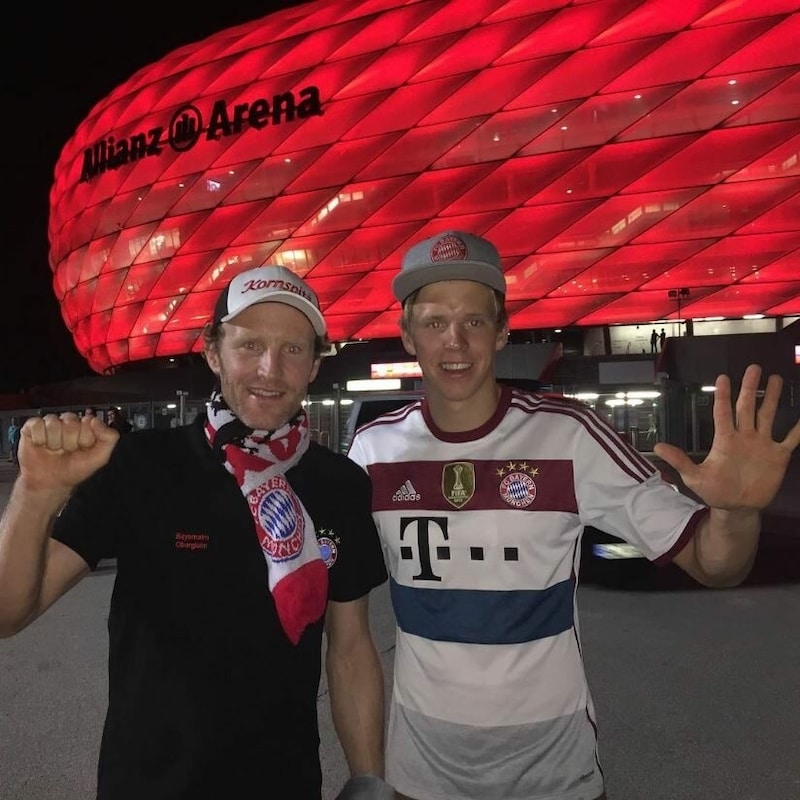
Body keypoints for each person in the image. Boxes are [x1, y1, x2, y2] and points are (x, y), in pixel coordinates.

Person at [347, 230, 800, 800]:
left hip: (554, 778)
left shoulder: (568, 435)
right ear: (408, 335)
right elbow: (340, 613)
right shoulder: (373, 450)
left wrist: (735, 512)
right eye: (435, 322)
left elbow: (715, 564)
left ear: (503, 330)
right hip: (420, 774)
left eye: (475, 321)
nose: (455, 340)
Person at [0, 265, 393, 800]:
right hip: (147, 786)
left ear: (315, 363)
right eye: (249, 344)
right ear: (213, 352)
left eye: (293, 349)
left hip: (284, 782)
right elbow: (9, 612)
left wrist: (368, 780)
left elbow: (350, 648)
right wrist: (36, 494)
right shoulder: (141, 465)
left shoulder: (340, 484)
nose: (270, 369)